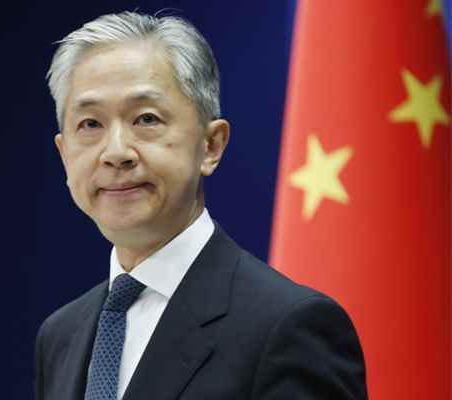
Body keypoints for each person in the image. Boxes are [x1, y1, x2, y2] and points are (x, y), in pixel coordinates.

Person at [35, 11, 367, 400]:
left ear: (211, 145)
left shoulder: (289, 326)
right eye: (91, 124)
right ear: (64, 154)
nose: (116, 152)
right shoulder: (61, 335)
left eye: (146, 119)